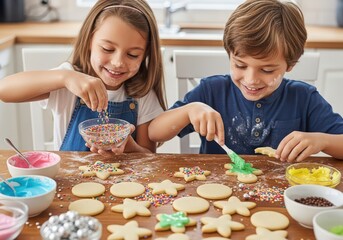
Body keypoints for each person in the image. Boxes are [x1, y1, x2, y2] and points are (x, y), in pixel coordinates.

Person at [149, 0, 343, 162]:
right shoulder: (211, 91)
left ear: (290, 64)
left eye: (267, 70)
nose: (251, 79)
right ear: (229, 55)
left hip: (281, 199)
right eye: (240, 66)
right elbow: (154, 133)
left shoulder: (304, 98)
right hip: (217, 195)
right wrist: (189, 110)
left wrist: (322, 140)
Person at [0, 0, 167, 156]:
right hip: (68, 184)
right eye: (107, 49)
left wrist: (129, 147)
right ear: (89, 41)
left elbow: (149, 159)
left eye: (132, 55)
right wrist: (64, 77)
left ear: (145, 54)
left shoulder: (141, 93)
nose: (118, 63)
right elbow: (4, 90)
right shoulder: (68, 83)